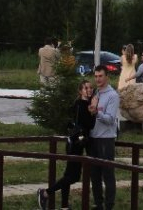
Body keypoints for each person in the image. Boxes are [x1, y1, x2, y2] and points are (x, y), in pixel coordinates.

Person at [38, 78, 96, 209]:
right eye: (86, 88)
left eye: (90, 88)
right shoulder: (83, 105)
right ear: (80, 91)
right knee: (74, 176)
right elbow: (90, 125)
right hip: (77, 143)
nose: (89, 90)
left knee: (68, 175)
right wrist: (93, 111)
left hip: (74, 142)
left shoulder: (78, 103)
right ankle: (46, 193)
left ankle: (64, 205)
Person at [88, 66, 119, 210]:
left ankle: (109, 205)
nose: (98, 79)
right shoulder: (94, 93)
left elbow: (111, 119)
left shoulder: (112, 95)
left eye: (100, 76)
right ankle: (98, 204)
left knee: (108, 174)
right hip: (93, 138)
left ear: (107, 77)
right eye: (96, 76)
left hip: (106, 139)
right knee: (94, 175)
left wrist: (96, 113)